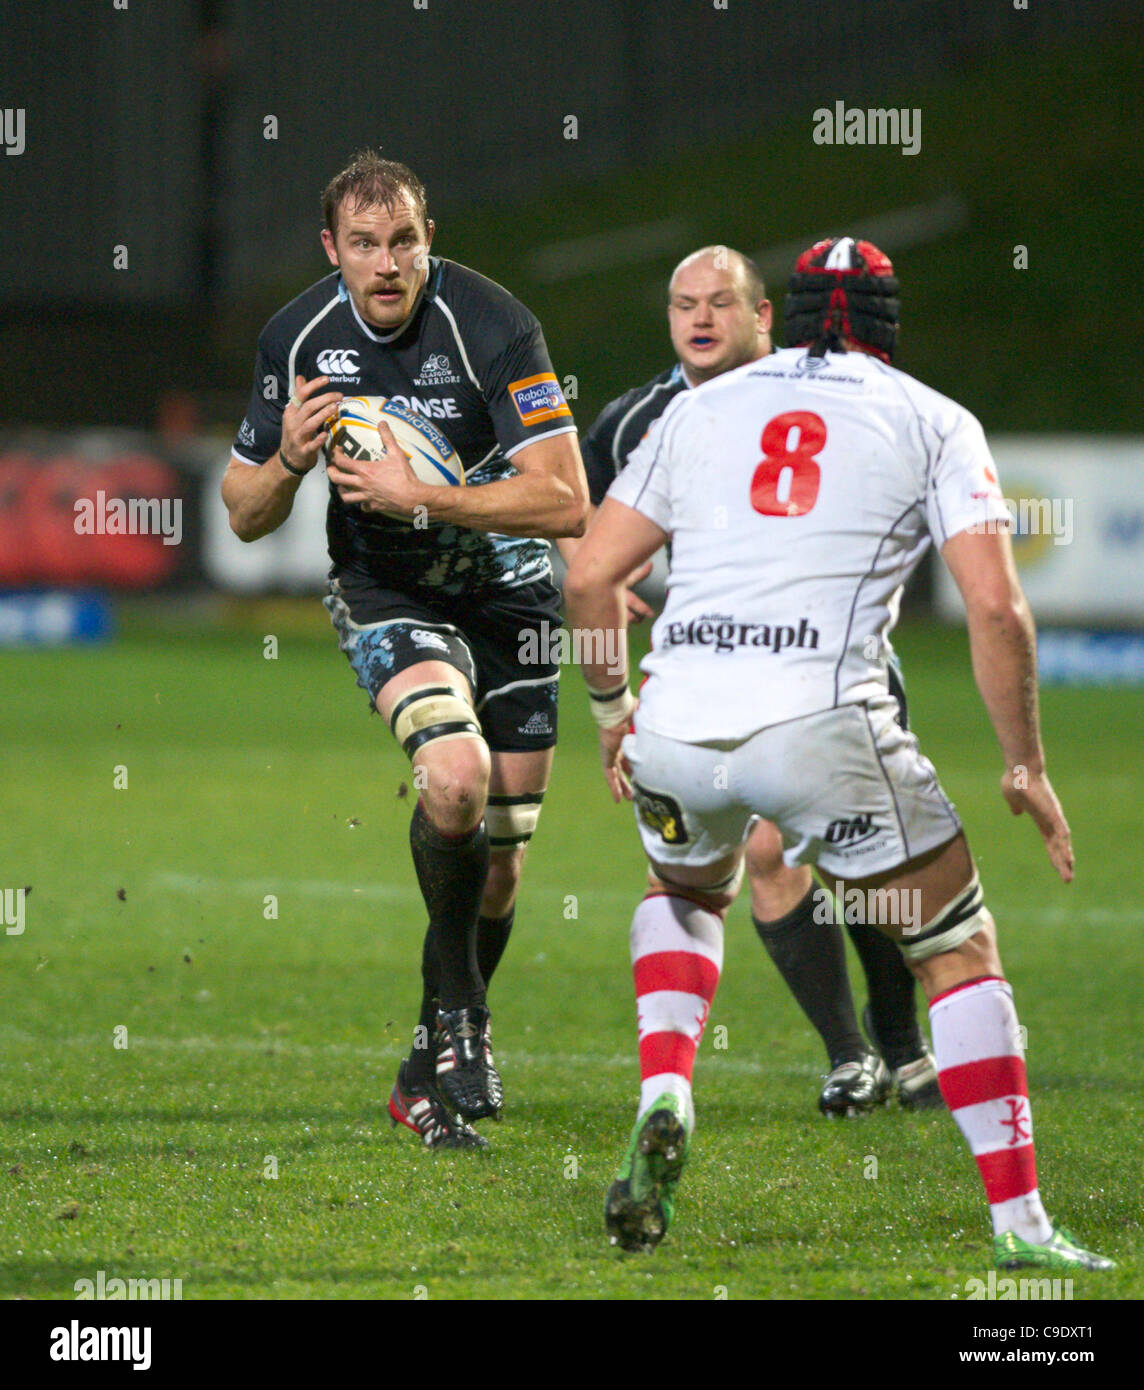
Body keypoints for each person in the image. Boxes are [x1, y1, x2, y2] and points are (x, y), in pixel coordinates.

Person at [564, 236, 1114, 1271]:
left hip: (678, 722)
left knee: (683, 889)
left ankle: (666, 1087)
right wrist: (1024, 766)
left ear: (790, 312)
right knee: (955, 946)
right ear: (887, 322)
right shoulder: (931, 418)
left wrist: (610, 713)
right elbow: (996, 607)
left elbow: (590, 580)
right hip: (818, 727)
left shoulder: (695, 409)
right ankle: (1023, 1226)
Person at [222, 150, 588, 1149]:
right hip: (388, 594)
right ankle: (465, 1019)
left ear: (430, 238)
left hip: (512, 597)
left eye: (406, 241)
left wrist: (421, 493)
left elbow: (566, 500)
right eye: (366, 245)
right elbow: (243, 512)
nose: (388, 266)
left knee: (503, 868)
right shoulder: (295, 339)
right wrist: (292, 459)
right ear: (330, 249)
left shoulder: (496, 327)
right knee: (455, 779)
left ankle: (422, 1066)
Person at [560, 245, 939, 1116]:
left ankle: (899, 1038)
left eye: (721, 303)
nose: (699, 319)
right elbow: (569, 508)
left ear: (764, 316)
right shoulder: (638, 421)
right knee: (765, 849)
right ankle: (852, 1055)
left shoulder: (823, 393)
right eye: (682, 303)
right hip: (717, 675)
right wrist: (596, 572)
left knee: (858, 864)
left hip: (836, 665)